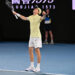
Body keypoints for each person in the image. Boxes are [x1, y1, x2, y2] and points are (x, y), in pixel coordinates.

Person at [12, 8, 46, 72]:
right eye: (34, 9)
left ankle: (38, 67)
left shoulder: (39, 17)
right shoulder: (30, 17)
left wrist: (44, 15)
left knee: (37, 51)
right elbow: (24, 18)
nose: (34, 9)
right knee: (30, 50)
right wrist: (16, 14)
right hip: (31, 37)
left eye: (36, 9)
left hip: (37, 37)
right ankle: (32, 66)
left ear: (38, 12)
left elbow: (43, 18)